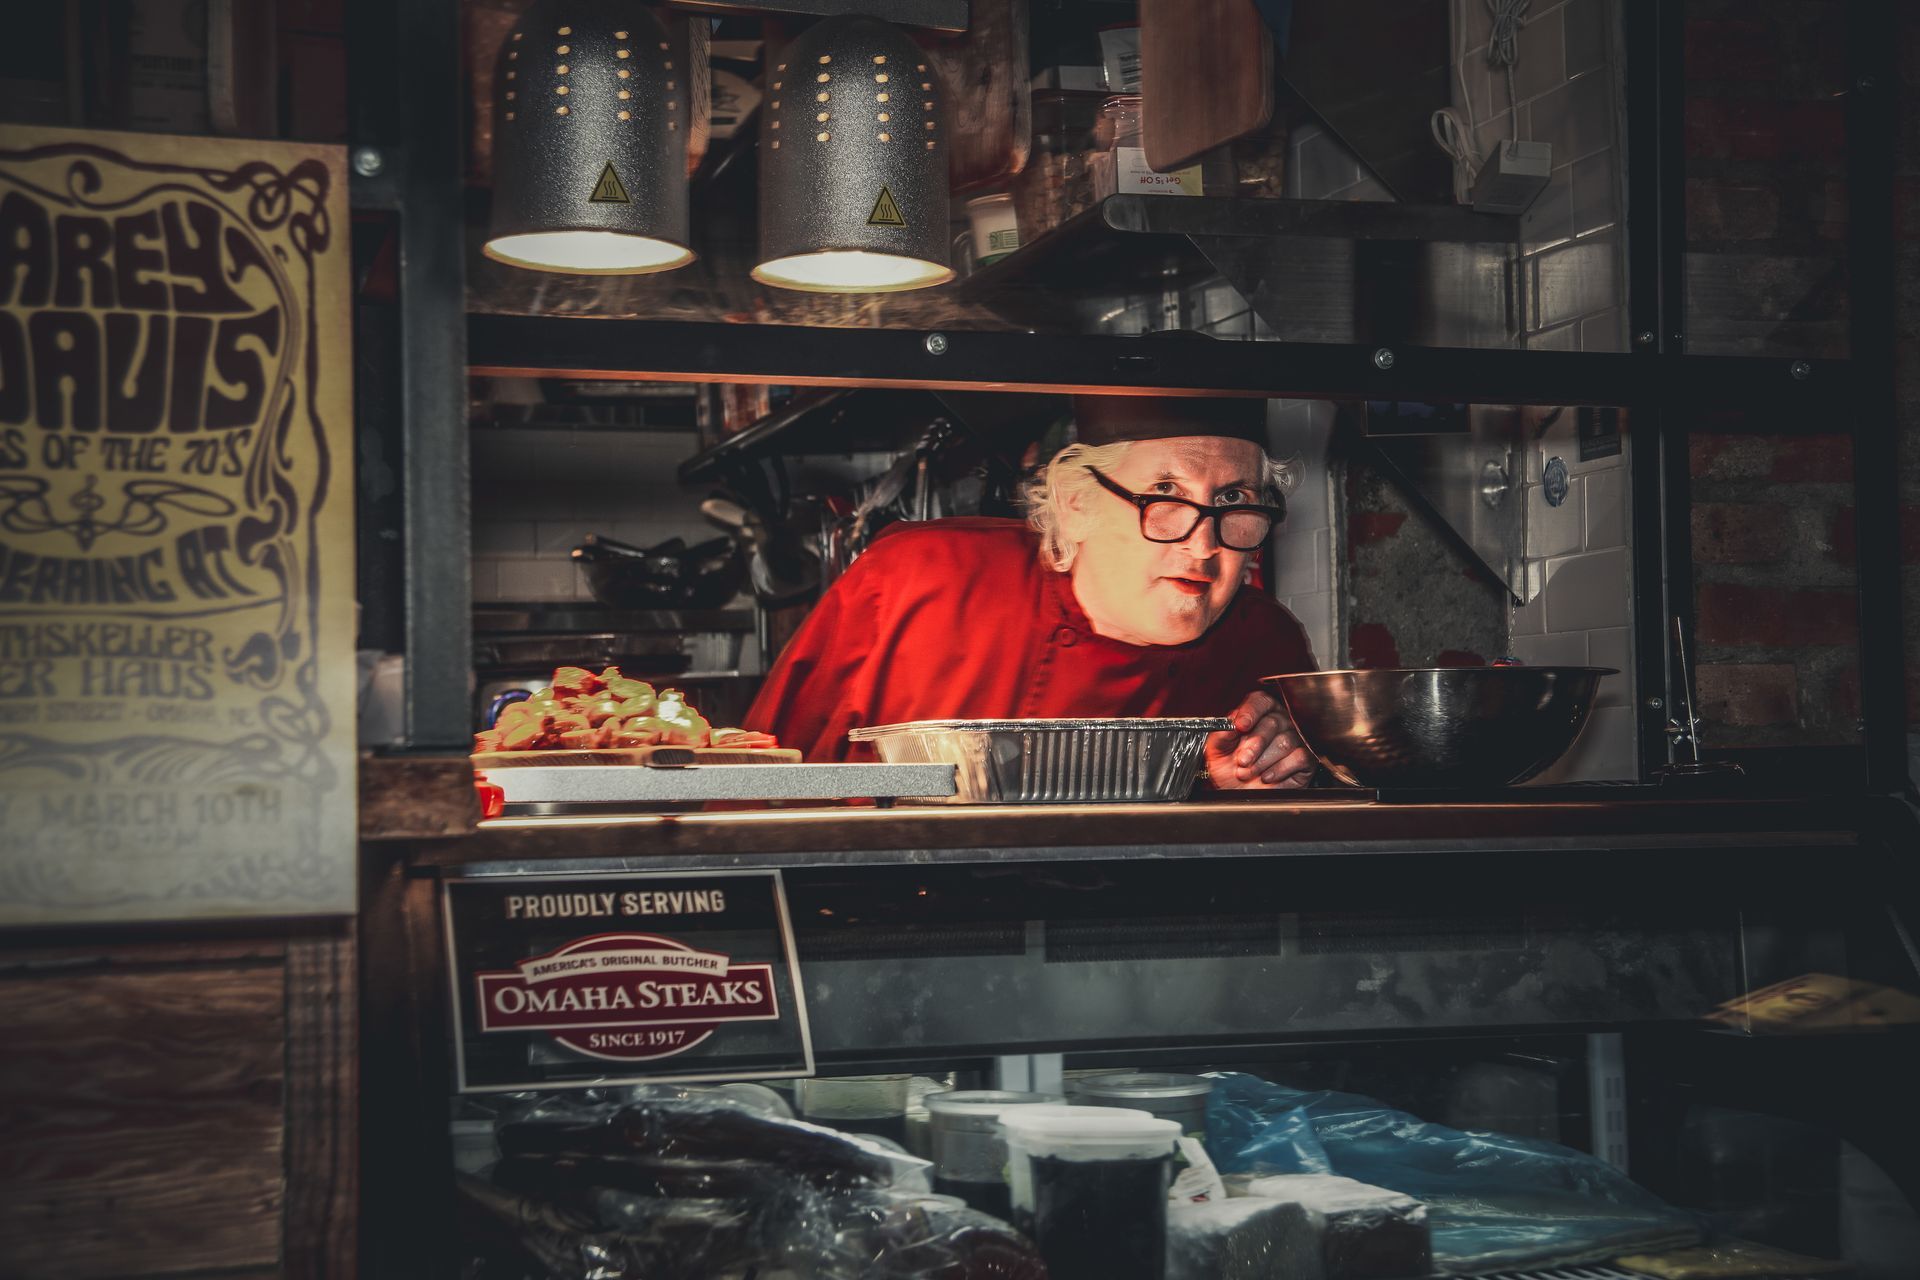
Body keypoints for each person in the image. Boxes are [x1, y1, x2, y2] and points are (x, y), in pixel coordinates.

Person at [744, 394, 1317, 788]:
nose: (1203, 546)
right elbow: (754, 780)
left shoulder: (1265, 648)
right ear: (1075, 501)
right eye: (1163, 492)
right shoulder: (918, 578)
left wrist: (1259, 777)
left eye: (1234, 502)